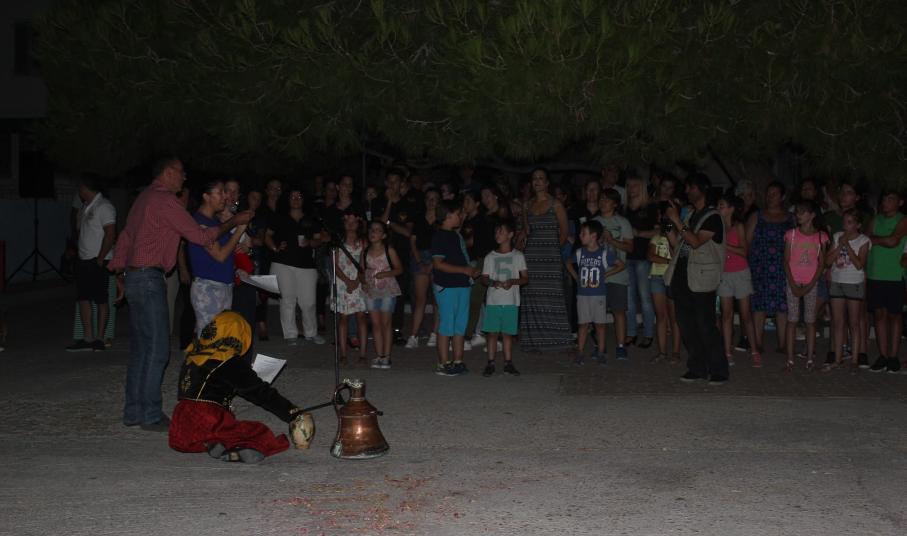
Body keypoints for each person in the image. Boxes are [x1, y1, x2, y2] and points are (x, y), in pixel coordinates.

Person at [108, 157, 252, 431]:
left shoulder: (143, 198)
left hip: (136, 276)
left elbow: (126, 236)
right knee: (158, 349)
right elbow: (200, 237)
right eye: (181, 173)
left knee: (141, 349)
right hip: (149, 278)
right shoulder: (164, 200)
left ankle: (134, 411)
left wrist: (119, 272)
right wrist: (234, 221)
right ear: (169, 172)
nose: (184, 178)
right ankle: (151, 415)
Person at [169, 311, 315, 463]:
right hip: (209, 416)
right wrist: (292, 412)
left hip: (181, 421)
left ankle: (211, 442)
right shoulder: (226, 359)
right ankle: (235, 446)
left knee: (212, 431)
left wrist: (243, 374)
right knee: (258, 432)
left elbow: (208, 387)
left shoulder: (193, 355)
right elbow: (259, 393)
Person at [664, 173, 728, 384]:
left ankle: (718, 369)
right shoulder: (692, 215)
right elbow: (678, 244)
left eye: (690, 187)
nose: (687, 191)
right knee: (687, 325)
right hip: (683, 277)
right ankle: (697, 367)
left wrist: (676, 219)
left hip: (702, 280)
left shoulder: (712, 217)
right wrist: (668, 224)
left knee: (705, 325)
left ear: (702, 189)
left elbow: (695, 241)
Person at [517, 168, 573, 352]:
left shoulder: (556, 204)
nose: (537, 181)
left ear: (547, 182)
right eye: (534, 178)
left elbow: (564, 232)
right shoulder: (527, 205)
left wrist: (553, 250)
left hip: (550, 257)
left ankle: (558, 340)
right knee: (533, 297)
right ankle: (534, 341)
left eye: (541, 178)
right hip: (532, 257)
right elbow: (527, 230)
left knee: (552, 297)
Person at [265, 186, 325, 345]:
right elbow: (267, 236)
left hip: (306, 265)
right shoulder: (279, 217)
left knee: (309, 301)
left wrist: (310, 242)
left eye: (299, 196)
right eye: (292, 196)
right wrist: (275, 248)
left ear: (304, 199)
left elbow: (319, 239)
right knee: (288, 299)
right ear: (287, 199)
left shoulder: (311, 219)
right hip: (283, 263)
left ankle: (311, 333)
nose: (296, 200)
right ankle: (290, 334)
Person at [187, 180, 248, 336]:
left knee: (221, 337)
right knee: (209, 339)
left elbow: (227, 254)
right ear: (206, 197)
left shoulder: (214, 221)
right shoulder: (200, 223)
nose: (225, 197)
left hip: (223, 284)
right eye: (220, 193)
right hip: (208, 286)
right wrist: (239, 230)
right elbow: (220, 255)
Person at [66, 175, 117, 352]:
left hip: (98, 260)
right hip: (83, 259)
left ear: (85, 187)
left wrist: (101, 257)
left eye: (80, 187)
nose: (78, 191)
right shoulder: (86, 206)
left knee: (101, 299)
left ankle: (100, 338)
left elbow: (110, 233)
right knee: (83, 298)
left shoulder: (104, 206)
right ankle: (87, 338)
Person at [432, 198, 481, 375]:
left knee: (460, 325)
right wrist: (464, 270)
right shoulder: (440, 236)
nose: (461, 217)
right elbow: (438, 264)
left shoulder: (455, 235)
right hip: (446, 286)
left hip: (462, 284)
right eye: (458, 214)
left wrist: (469, 271)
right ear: (448, 216)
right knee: (446, 325)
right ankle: (443, 363)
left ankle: (458, 360)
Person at [746, 181, 795, 354]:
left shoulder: (791, 218)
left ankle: (783, 344)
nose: (770, 197)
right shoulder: (757, 216)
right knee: (759, 304)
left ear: (782, 197)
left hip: (783, 268)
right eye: (768, 193)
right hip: (760, 267)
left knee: (783, 305)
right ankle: (757, 343)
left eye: (774, 194)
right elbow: (747, 242)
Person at [566, 220, 624, 365]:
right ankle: (580, 353)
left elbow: (621, 265)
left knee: (600, 325)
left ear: (593, 236)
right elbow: (568, 262)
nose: (580, 235)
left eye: (583, 233)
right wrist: (576, 277)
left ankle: (601, 352)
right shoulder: (580, 252)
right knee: (583, 324)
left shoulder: (604, 254)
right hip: (583, 295)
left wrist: (606, 274)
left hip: (598, 295)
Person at [782, 200, 828, 371]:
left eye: (802, 212)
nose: (798, 215)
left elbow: (821, 264)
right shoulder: (791, 234)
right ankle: (790, 359)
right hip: (793, 281)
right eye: (797, 212)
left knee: (810, 320)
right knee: (792, 319)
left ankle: (810, 358)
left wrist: (810, 285)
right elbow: (786, 261)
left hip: (811, 282)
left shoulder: (821, 236)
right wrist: (793, 284)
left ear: (812, 215)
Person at [866, 190, 907, 373]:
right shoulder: (876, 219)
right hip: (875, 273)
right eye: (884, 199)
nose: (886, 202)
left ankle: (893, 356)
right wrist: (883, 240)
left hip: (895, 274)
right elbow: (865, 240)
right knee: (879, 314)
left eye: (891, 199)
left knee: (895, 315)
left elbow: (894, 241)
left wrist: (876, 239)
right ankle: (883, 355)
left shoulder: (903, 220)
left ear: (900, 202)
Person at [717, 194, 759, 367]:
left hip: (740, 273)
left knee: (745, 315)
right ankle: (727, 352)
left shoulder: (738, 226)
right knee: (726, 315)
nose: (718, 208)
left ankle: (755, 350)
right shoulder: (717, 227)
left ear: (731, 209)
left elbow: (744, 251)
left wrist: (725, 245)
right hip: (724, 274)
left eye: (722, 205)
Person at [825, 209, 870, 372]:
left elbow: (859, 264)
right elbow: (828, 261)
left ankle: (854, 361)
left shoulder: (864, 240)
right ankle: (837, 360)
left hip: (854, 283)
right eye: (845, 221)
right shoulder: (837, 236)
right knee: (837, 322)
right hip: (837, 281)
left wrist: (847, 245)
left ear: (858, 225)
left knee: (854, 323)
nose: (845, 225)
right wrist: (839, 245)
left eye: (850, 222)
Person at [481, 220, 527, 376]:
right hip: (493, 301)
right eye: (496, 232)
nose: (497, 235)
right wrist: (493, 282)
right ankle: (490, 363)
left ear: (511, 234)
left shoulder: (518, 256)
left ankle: (508, 363)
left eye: (501, 231)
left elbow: (525, 278)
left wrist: (513, 281)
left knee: (508, 333)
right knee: (492, 333)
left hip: (511, 301)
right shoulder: (490, 256)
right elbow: (484, 278)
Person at [375, 169, 416, 346]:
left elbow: (408, 232)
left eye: (396, 181)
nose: (392, 185)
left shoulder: (408, 204)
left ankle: (396, 330)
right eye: (389, 181)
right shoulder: (379, 202)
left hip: (401, 254)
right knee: (380, 291)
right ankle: (378, 328)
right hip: (379, 255)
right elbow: (377, 226)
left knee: (398, 293)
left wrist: (390, 223)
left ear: (401, 184)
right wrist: (389, 203)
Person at [595, 188, 633, 359]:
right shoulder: (594, 222)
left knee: (619, 311)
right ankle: (600, 346)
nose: (603, 202)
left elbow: (630, 248)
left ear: (615, 204)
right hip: (598, 274)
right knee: (598, 313)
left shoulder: (623, 222)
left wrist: (611, 240)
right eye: (601, 199)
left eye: (607, 199)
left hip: (618, 273)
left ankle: (621, 346)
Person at [363, 221, 403, 369]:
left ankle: (387, 356)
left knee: (386, 323)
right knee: (375, 323)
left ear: (384, 235)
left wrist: (385, 274)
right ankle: (379, 355)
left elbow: (399, 269)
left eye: (377, 230)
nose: (373, 232)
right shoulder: (365, 251)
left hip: (387, 289)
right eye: (371, 230)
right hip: (371, 290)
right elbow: (362, 271)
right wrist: (363, 282)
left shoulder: (389, 250)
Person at [623, 176, 657, 348]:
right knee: (629, 299)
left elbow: (662, 230)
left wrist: (639, 233)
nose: (631, 188)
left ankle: (649, 333)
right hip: (626, 257)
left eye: (635, 185)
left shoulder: (651, 207)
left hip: (644, 257)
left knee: (645, 297)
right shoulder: (623, 208)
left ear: (642, 187)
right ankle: (631, 332)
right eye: (628, 185)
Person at [405, 189, 441, 349]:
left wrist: (433, 263)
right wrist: (420, 262)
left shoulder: (441, 219)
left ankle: (435, 333)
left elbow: (444, 243)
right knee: (420, 299)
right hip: (420, 257)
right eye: (428, 198)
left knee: (437, 300)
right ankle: (413, 335)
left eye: (434, 198)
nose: (431, 201)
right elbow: (413, 241)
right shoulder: (419, 218)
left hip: (438, 258)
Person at [332, 212, 368, 366]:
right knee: (343, 318)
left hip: (359, 281)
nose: (351, 224)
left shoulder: (363, 242)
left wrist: (358, 281)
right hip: (342, 282)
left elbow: (365, 263)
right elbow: (335, 264)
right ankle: (343, 354)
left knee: (361, 317)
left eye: (354, 221)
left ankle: (363, 354)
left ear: (359, 224)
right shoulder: (337, 241)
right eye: (348, 221)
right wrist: (348, 281)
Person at [647, 205, 682, 364]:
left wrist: (671, 236)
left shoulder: (680, 236)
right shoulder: (656, 237)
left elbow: (678, 254)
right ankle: (662, 352)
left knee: (674, 317)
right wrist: (668, 261)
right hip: (657, 277)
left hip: (672, 278)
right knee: (660, 316)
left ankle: (676, 352)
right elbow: (650, 256)